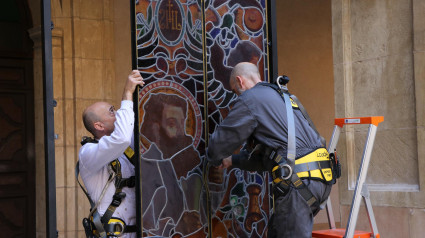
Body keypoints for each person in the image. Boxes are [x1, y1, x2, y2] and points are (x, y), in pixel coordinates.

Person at [207, 62, 333, 238]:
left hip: (299, 183)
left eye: (235, 91)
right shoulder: (280, 96)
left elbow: (217, 146)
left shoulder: (251, 99)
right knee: (277, 231)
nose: (236, 96)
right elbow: (272, 159)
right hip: (319, 181)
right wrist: (232, 160)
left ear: (240, 81)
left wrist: (213, 159)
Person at [78, 70, 145, 238]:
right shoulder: (88, 153)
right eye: (112, 111)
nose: (117, 114)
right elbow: (121, 138)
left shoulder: (127, 141)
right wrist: (127, 93)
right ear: (99, 126)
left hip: (144, 230)